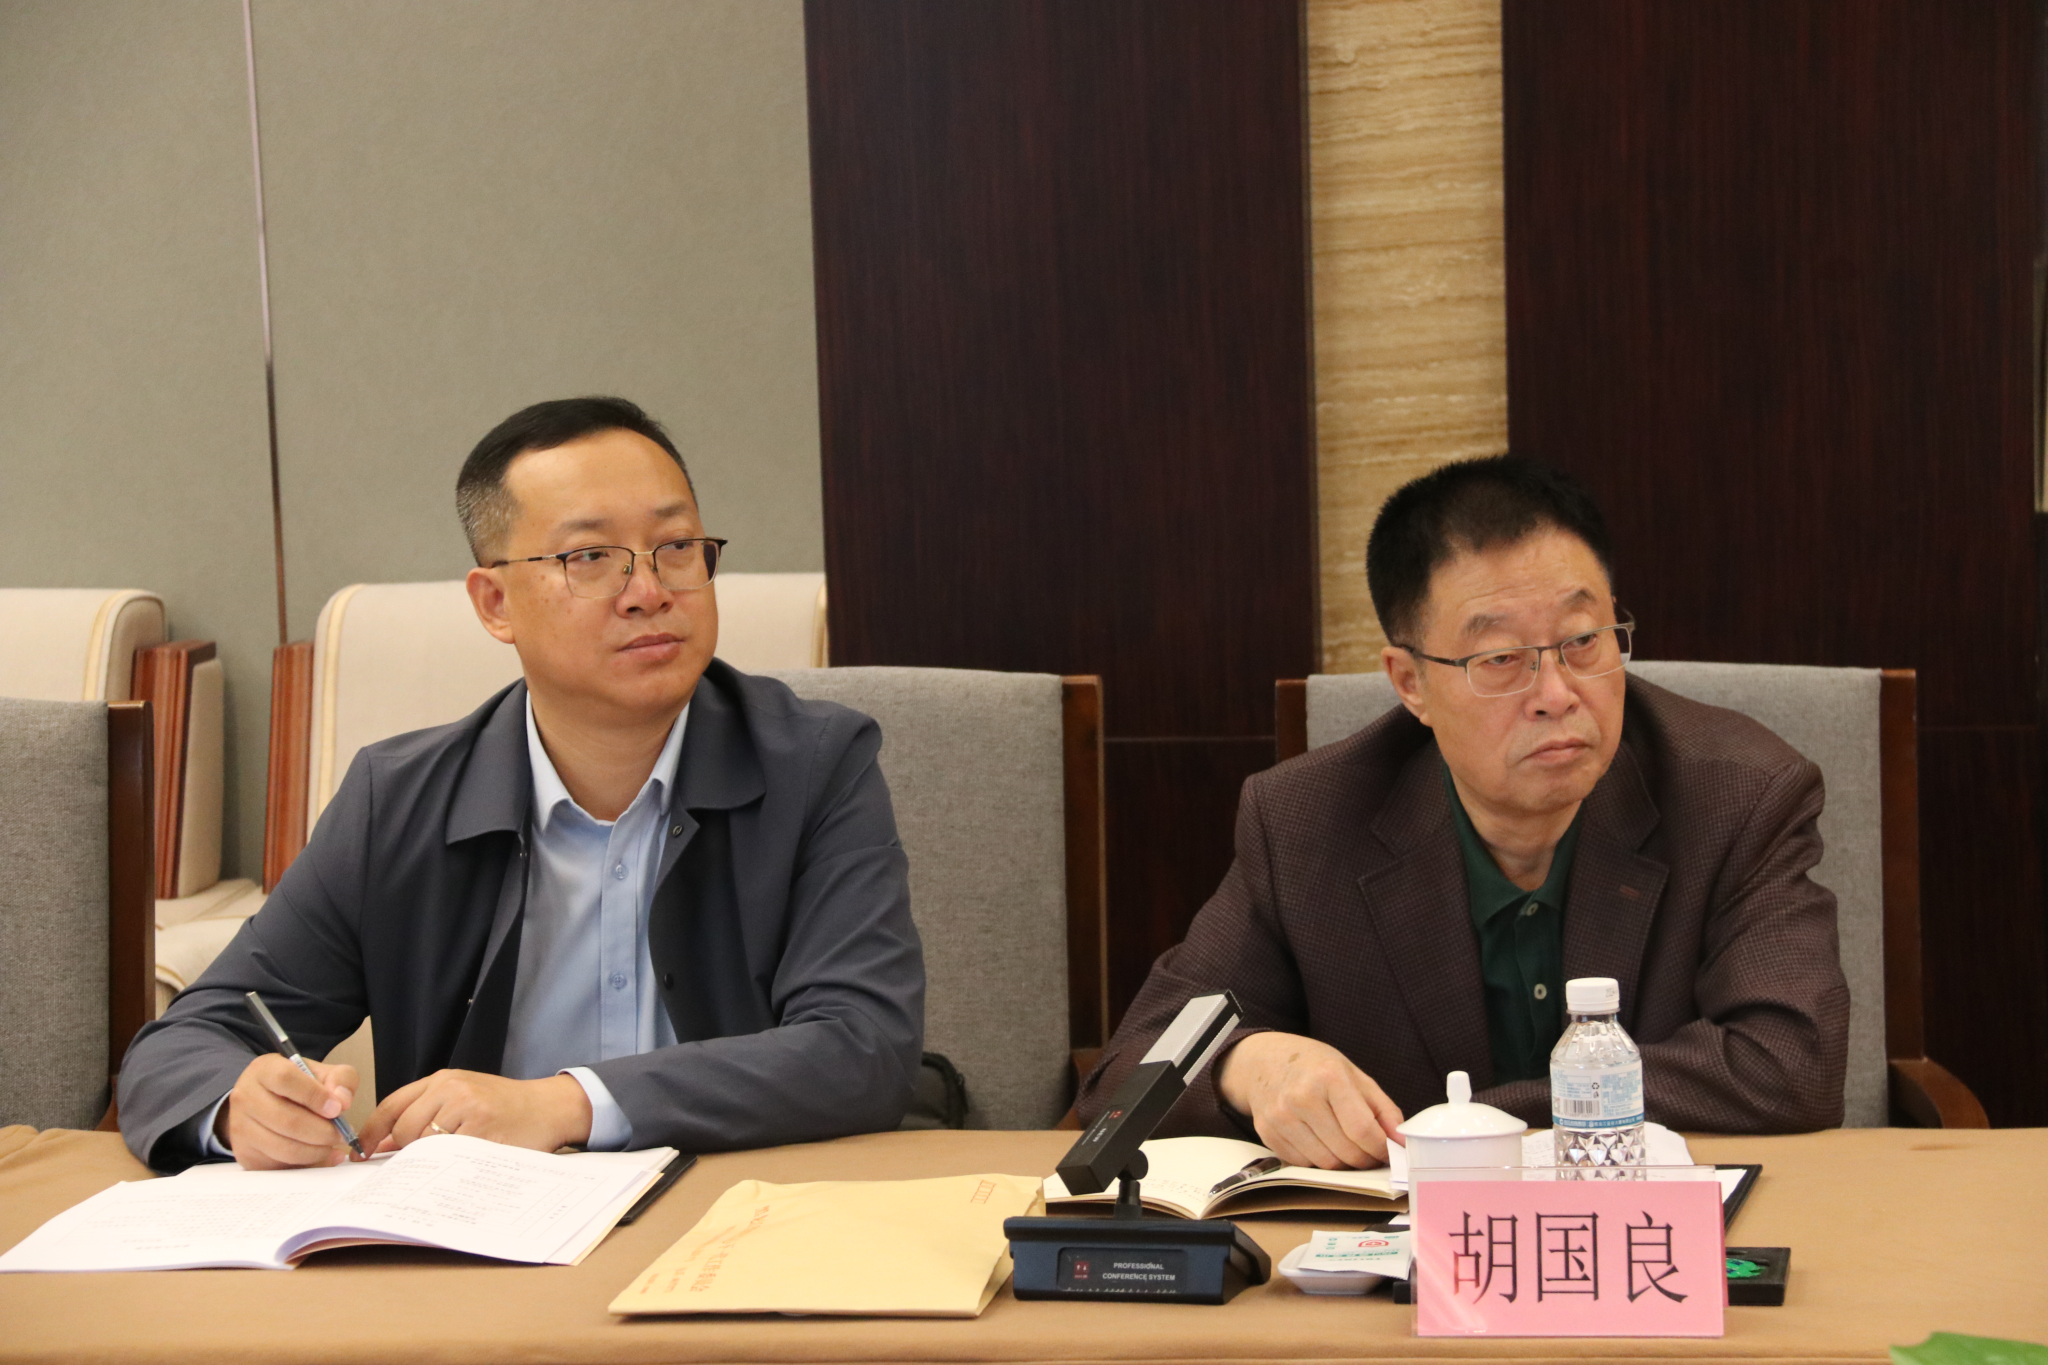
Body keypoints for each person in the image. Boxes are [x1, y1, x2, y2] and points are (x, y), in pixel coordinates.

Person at [120, 396, 924, 1171]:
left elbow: (863, 1045)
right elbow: (185, 1043)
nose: (650, 591)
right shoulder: (396, 802)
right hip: (479, 1239)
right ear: (496, 602)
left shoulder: (816, 764)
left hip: (737, 1212)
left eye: (676, 546)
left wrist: (566, 1104)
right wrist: (242, 1108)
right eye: (591, 558)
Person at [1080, 455, 1849, 1168]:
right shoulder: (1306, 822)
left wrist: (1476, 1124)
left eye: (1584, 640)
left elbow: (1790, 1065)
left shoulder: (1738, 797)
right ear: (1410, 682)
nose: (1557, 693)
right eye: (1501, 659)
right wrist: (1251, 1065)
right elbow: (1125, 1076)